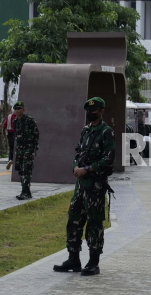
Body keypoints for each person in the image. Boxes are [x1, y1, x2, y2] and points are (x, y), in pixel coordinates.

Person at [53, 97, 115, 277]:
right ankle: (73, 259)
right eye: (88, 110)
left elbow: (109, 159)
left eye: (94, 110)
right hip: (80, 187)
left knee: (94, 225)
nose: (90, 113)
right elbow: (78, 153)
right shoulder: (85, 131)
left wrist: (87, 169)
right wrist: (75, 167)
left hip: (95, 186)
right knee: (73, 220)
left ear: (101, 111)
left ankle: (93, 262)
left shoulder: (106, 132)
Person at [12, 101, 39, 200]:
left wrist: (33, 146)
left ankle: (24, 191)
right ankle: (27, 192)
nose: (17, 110)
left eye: (19, 108)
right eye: (16, 109)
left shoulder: (29, 120)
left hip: (28, 148)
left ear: (24, 110)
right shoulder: (15, 121)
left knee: (26, 169)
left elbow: (36, 134)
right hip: (19, 149)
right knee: (20, 169)